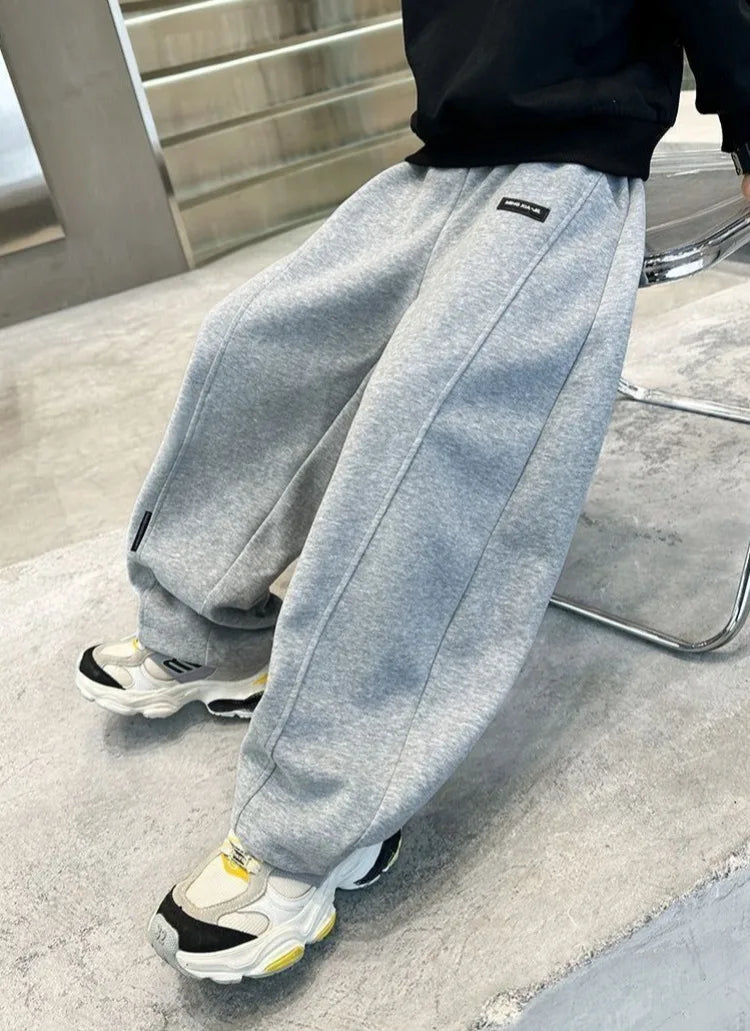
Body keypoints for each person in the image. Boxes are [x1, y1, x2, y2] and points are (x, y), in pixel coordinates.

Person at [76, 0, 750, 983]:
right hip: (445, 161)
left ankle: (313, 827)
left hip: (570, 166)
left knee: (425, 431)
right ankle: (207, 632)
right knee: (253, 341)